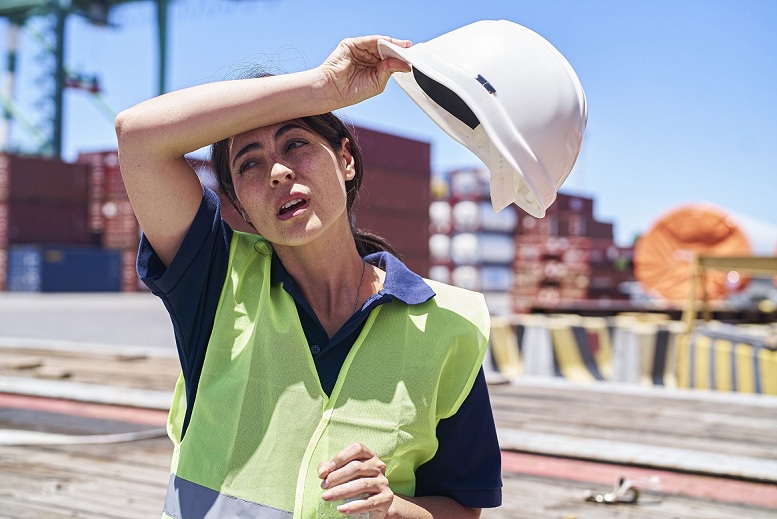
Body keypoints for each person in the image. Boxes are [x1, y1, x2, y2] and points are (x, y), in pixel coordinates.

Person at [115, 35, 502, 519]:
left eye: (296, 143)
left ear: (346, 160)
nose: (277, 171)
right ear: (239, 202)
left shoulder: (449, 325)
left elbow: (464, 508)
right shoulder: (215, 285)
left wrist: (393, 510)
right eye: (249, 163)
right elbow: (138, 136)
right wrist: (323, 87)